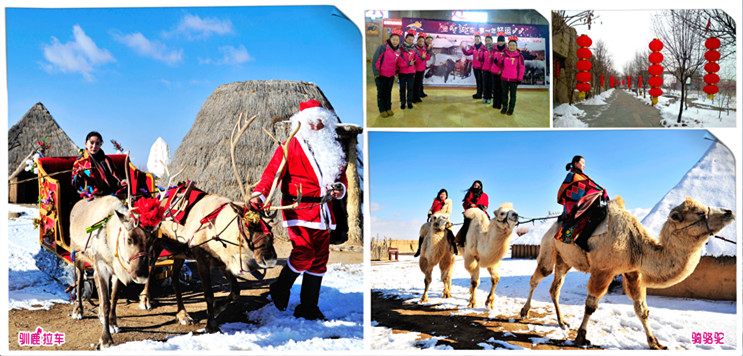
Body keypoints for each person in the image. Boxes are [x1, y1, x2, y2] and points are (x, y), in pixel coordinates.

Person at [251, 99, 347, 321]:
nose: (316, 126)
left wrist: (339, 189)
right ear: (302, 122)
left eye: (320, 121)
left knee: (320, 258)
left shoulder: (333, 148)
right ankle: (281, 286)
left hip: (324, 210)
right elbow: (271, 174)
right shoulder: (289, 145)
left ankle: (308, 306)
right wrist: (259, 195)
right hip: (298, 208)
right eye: (312, 121)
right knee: (304, 253)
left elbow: (341, 178)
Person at [555, 156, 609, 251]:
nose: (584, 165)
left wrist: (600, 191)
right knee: (601, 213)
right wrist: (599, 191)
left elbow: (590, 186)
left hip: (582, 204)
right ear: (575, 163)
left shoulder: (581, 176)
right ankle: (582, 239)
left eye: (585, 163)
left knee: (602, 209)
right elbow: (584, 187)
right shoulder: (572, 176)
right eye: (582, 163)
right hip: (575, 206)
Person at [71, 131, 126, 199]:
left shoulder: (107, 160)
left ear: (100, 145)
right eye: (92, 143)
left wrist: (122, 182)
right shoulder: (80, 161)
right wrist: (80, 175)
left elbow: (116, 176)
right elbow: (74, 184)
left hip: (110, 194)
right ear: (86, 144)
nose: (94, 146)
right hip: (90, 196)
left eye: (97, 143)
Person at [414, 189, 457, 257]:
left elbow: (448, 212)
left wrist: (442, 217)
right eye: (441, 194)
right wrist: (429, 214)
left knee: (450, 233)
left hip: (443, 220)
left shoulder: (448, 202)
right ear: (439, 195)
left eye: (444, 194)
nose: (442, 195)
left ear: (446, 196)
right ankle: (419, 249)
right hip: (433, 221)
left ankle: (454, 248)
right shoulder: (435, 201)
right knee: (423, 232)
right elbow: (431, 209)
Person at [372, 29, 402, 118]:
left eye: (397, 40)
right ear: (390, 39)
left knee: (388, 92)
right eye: (394, 39)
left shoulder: (398, 51)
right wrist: (376, 72)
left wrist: (396, 71)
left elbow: (396, 63)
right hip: (380, 75)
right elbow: (376, 60)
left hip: (390, 75)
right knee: (381, 93)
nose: (395, 41)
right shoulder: (383, 47)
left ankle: (388, 108)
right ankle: (382, 109)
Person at [455, 180, 489, 247]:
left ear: (480, 186)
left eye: (477, 186)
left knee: (488, 222)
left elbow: (486, 205)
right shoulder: (469, 194)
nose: (476, 187)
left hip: (480, 211)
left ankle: (488, 240)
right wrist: (469, 205)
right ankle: (462, 240)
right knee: (466, 224)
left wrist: (478, 206)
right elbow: (464, 203)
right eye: (475, 185)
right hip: (470, 211)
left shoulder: (484, 195)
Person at [498, 36, 525, 115]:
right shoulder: (504, 55)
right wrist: (498, 59)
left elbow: (522, 68)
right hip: (504, 78)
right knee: (504, 94)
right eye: (510, 45)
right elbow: (500, 64)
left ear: (516, 46)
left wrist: (519, 78)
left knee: (513, 95)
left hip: (514, 79)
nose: (512, 47)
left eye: (513, 45)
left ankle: (511, 109)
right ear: (508, 46)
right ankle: (504, 107)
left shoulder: (520, 56)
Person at [397, 29, 418, 110]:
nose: (411, 41)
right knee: (402, 88)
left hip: (411, 72)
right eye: (409, 39)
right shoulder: (400, 49)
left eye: (412, 40)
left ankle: (409, 102)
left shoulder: (414, 49)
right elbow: (398, 62)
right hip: (402, 72)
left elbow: (418, 60)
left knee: (410, 88)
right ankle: (402, 102)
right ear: (405, 39)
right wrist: (408, 64)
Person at [461, 32, 485, 99]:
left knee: (481, 81)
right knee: (478, 80)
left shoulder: (483, 48)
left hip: (481, 67)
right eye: (475, 39)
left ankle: (480, 94)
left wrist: (480, 59)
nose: (476, 40)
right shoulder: (473, 48)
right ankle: (478, 93)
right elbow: (467, 53)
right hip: (475, 67)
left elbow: (485, 58)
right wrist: (463, 48)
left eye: (478, 39)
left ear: (480, 39)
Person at [491, 33, 507, 110]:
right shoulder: (494, 50)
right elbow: (492, 60)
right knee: (495, 88)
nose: (500, 43)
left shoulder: (506, 51)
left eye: (501, 41)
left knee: (501, 89)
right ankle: (495, 102)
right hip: (494, 72)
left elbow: (506, 63)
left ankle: (500, 103)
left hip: (502, 73)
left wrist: (502, 70)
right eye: (499, 41)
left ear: (504, 42)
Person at [411, 32, 428, 104]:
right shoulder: (414, 49)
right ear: (417, 41)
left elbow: (426, 58)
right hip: (416, 69)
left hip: (422, 69)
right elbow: (416, 60)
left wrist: (427, 53)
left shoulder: (424, 49)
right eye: (420, 41)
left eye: (422, 41)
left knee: (419, 83)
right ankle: (414, 98)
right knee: (415, 84)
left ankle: (417, 96)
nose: (421, 42)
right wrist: (422, 58)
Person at [479, 33, 495, 104]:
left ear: (491, 40)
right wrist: (479, 56)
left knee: (490, 84)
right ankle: (484, 97)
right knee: (485, 84)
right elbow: (481, 59)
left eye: (489, 40)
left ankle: (489, 97)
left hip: (492, 69)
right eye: (486, 40)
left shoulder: (494, 49)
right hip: (485, 69)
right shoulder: (483, 49)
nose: (487, 41)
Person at [419, 34, 434, 98]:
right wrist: (428, 50)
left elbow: (429, 56)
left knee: (420, 80)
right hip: (419, 65)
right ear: (425, 39)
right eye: (428, 40)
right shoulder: (423, 46)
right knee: (418, 80)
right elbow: (424, 56)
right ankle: (419, 93)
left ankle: (421, 92)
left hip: (424, 64)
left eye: (431, 40)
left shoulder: (429, 46)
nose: (429, 41)